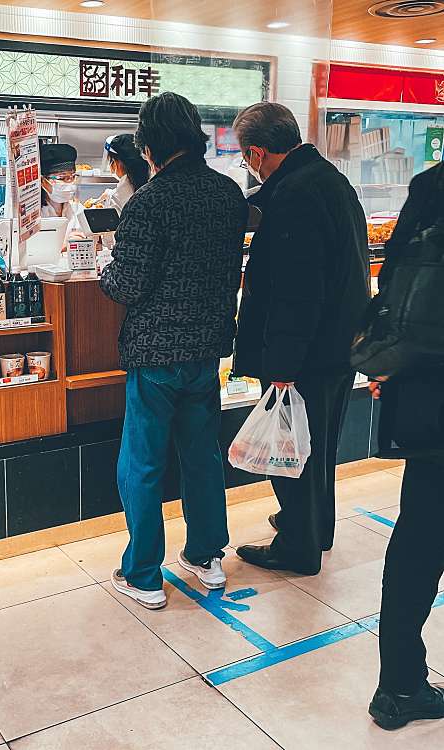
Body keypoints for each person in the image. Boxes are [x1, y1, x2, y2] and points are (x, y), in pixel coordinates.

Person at [100, 92, 248, 610]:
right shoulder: (228, 194)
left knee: (141, 464)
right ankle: (206, 558)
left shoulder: (149, 201)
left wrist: (105, 271)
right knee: (202, 455)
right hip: (207, 351)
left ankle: (143, 574)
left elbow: (125, 286)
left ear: (148, 147)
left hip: (155, 355)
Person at [231, 102, 370, 576]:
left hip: (307, 350)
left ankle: (296, 547)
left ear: (257, 151)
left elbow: (297, 291)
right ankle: (314, 527)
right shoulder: (328, 179)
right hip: (338, 343)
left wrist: (283, 365)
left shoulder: (293, 194)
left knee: (294, 453)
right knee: (320, 446)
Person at [367, 161, 444, 730]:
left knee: (418, 539)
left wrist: (389, 362)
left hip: (427, 397)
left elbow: (391, 278)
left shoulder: (432, 184)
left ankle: (398, 684)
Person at [102, 133, 149, 212]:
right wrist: (108, 193)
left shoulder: (117, 199)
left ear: (118, 163)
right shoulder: (145, 179)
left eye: (111, 161)